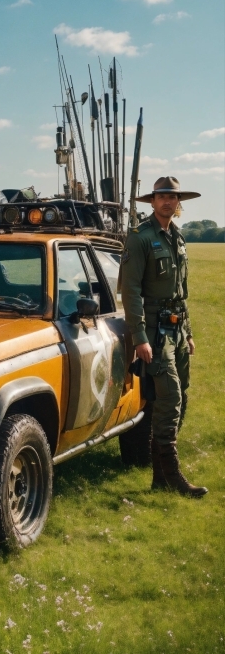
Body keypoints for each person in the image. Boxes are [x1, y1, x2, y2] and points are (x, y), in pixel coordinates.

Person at [120, 176, 208, 497]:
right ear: (152, 201)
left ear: (178, 202)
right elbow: (129, 291)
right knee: (169, 395)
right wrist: (140, 336)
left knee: (181, 392)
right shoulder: (140, 238)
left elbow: (181, 293)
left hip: (176, 327)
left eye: (172, 197)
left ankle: (160, 476)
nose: (168, 202)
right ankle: (172, 476)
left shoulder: (177, 238)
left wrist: (188, 332)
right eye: (161, 197)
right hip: (154, 330)